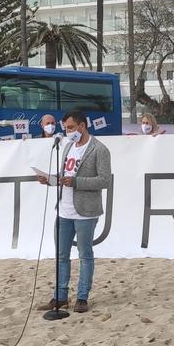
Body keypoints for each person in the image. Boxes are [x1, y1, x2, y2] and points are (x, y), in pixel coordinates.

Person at [36, 110, 112, 314]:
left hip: (85, 211)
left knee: (85, 255)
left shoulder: (99, 149)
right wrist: (50, 180)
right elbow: (65, 176)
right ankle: (60, 297)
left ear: (82, 126)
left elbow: (105, 180)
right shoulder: (68, 146)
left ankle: (82, 297)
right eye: (65, 128)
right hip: (64, 209)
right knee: (61, 256)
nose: (67, 131)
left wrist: (77, 182)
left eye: (71, 127)